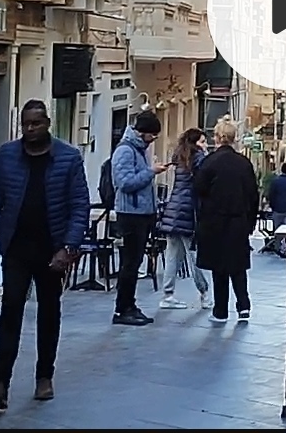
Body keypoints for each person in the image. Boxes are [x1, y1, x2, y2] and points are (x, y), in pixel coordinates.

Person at [0, 100, 88, 412]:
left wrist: (68, 247)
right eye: (25, 124)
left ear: (47, 123)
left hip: (53, 250)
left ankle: (44, 376)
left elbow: (80, 205)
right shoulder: (7, 156)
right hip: (16, 247)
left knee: (49, 313)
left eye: (36, 124)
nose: (30, 129)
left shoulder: (68, 157)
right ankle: (0, 381)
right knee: (10, 310)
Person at [194, 116, 260, 323]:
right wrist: (250, 222)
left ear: (217, 138)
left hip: (214, 222)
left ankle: (220, 310)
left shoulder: (209, 163)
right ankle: (243, 306)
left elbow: (198, 190)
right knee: (238, 267)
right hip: (238, 221)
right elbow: (253, 195)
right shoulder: (244, 164)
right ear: (233, 138)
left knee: (218, 268)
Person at [108, 110, 168, 326]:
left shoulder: (138, 150)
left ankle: (129, 305)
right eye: (153, 135)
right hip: (131, 214)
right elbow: (125, 183)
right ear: (143, 133)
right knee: (130, 264)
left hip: (141, 213)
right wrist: (151, 172)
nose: (154, 140)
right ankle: (123, 308)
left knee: (134, 263)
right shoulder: (125, 151)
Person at [155, 128, 211, 310]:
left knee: (172, 254)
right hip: (188, 212)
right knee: (194, 255)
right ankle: (204, 293)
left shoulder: (180, 158)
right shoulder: (199, 159)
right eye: (202, 142)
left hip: (173, 209)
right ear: (195, 143)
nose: (205, 145)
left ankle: (167, 294)